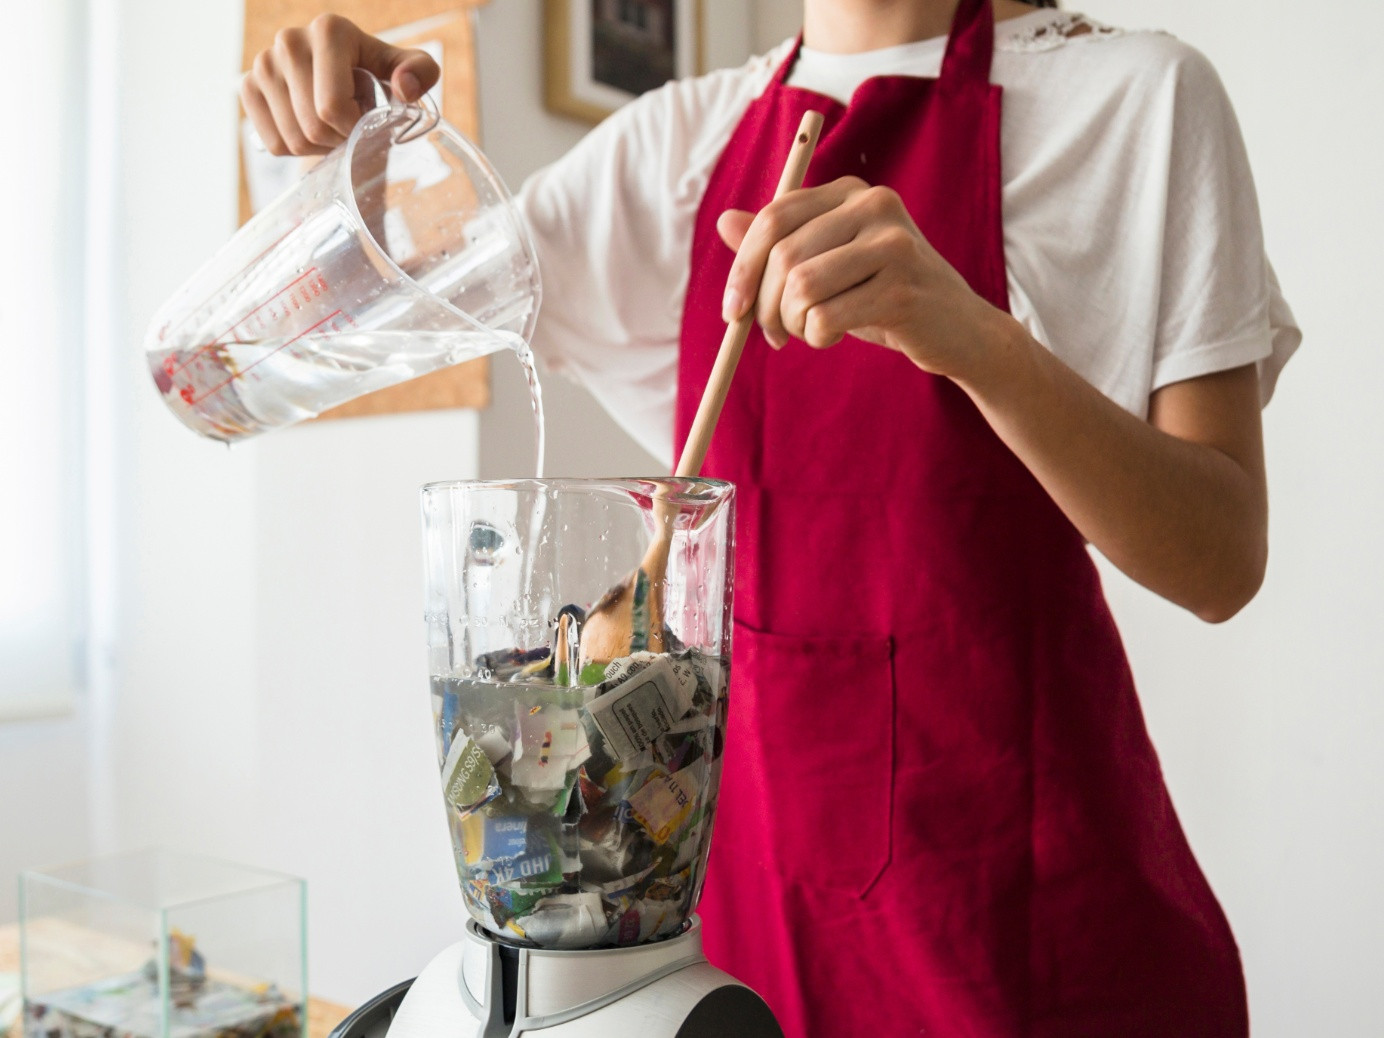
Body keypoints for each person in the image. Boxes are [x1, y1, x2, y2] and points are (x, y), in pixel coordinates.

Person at [243, 1, 1298, 1033]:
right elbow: (337, 343)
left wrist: (977, 340)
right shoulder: (678, 147)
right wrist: (342, 158)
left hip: (1022, 934)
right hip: (736, 951)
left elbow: (1219, 559)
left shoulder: (1136, 99)